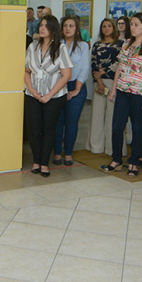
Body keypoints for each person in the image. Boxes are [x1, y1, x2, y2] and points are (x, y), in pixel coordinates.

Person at [106, 13, 142, 177]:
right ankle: (116, 159)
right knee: (117, 126)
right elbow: (120, 67)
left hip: (140, 93)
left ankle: (133, 162)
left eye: (136, 24)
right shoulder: (126, 44)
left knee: (138, 128)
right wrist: (114, 88)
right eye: (132, 24)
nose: (133, 27)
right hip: (123, 91)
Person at [25, 15, 72, 177]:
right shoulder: (33, 46)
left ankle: (44, 163)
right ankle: (36, 161)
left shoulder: (60, 48)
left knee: (48, 130)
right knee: (33, 130)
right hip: (33, 94)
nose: (42, 28)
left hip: (54, 96)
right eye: (41, 25)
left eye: (46, 26)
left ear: (53, 29)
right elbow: (27, 71)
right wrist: (31, 89)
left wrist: (49, 95)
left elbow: (66, 75)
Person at [53, 15, 90, 166]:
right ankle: (57, 153)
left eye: (71, 26)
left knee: (71, 122)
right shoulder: (56, 44)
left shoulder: (83, 46)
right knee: (57, 121)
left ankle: (68, 153)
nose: (68, 28)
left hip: (76, 85)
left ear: (77, 29)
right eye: (65, 26)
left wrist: (76, 90)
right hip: (57, 86)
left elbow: (84, 69)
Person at [86, 18, 123, 156]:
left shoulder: (120, 44)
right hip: (99, 83)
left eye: (109, 26)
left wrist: (104, 71)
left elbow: (120, 62)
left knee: (113, 115)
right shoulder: (96, 45)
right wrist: (99, 80)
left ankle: (112, 148)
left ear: (114, 28)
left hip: (114, 82)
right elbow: (93, 62)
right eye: (104, 26)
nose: (106, 28)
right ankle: (96, 146)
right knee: (97, 115)